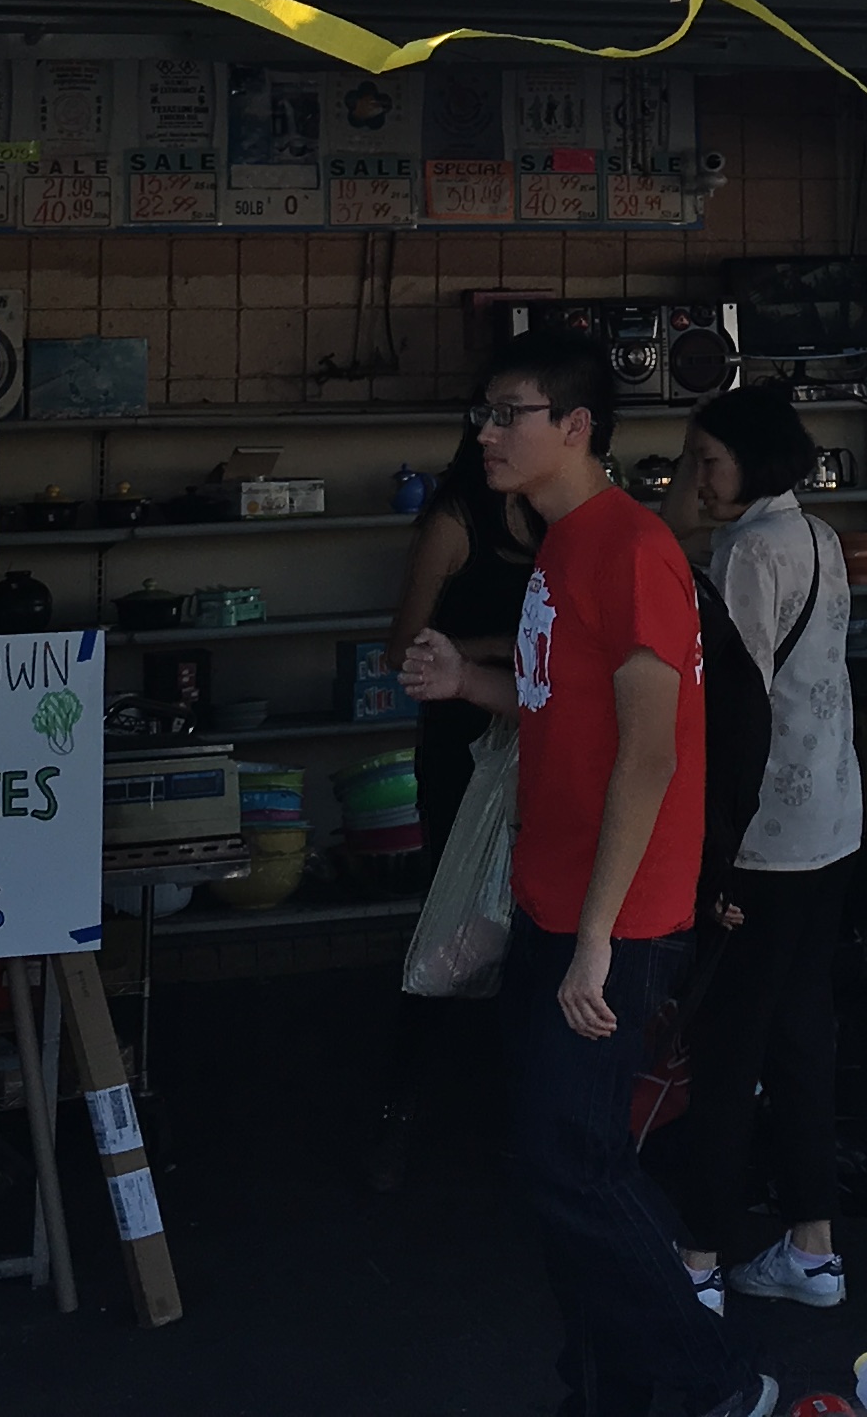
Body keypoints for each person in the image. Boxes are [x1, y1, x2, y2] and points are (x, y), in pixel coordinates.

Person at [399, 330, 770, 1417]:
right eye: (481, 412)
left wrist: (600, 936)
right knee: (559, 1164)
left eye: (506, 413)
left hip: (616, 919)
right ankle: (610, 1384)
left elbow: (652, 751)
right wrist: (464, 680)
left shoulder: (633, 549)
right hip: (554, 898)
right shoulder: (559, 548)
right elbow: (562, 710)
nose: (485, 433)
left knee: (575, 1167)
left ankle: (716, 1381)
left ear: (576, 426)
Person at [663, 382, 858, 1314]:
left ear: (754, 463)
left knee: (727, 1043)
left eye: (707, 462)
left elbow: (730, 711)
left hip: (759, 837)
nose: (694, 480)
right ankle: (813, 1248)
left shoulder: (745, 552)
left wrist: (711, 855)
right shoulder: (816, 537)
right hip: (830, 824)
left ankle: (698, 1258)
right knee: (801, 1034)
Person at [367, 426, 544, 1192]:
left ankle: (527, 1111)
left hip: (540, 739)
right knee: (452, 921)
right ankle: (400, 1113)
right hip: (461, 742)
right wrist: (510, 646)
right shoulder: (452, 521)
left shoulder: (555, 516)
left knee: (540, 921)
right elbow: (401, 646)